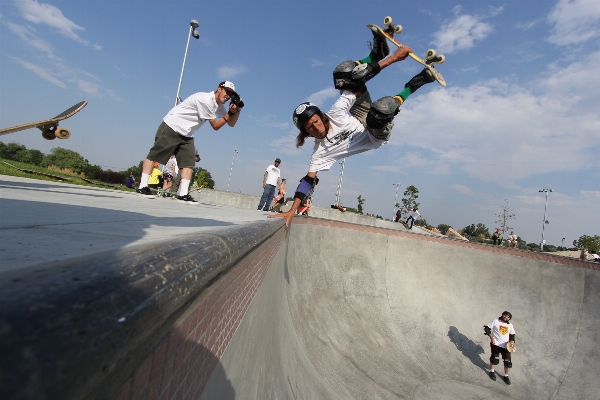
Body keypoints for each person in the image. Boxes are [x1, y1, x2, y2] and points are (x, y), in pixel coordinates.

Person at [270, 28, 435, 226]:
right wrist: (291, 210)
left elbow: (358, 83)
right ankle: (417, 82)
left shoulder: (336, 111)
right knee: (380, 109)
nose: (316, 127)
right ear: (306, 133)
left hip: (359, 115)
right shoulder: (318, 154)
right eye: (310, 128)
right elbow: (307, 182)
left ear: (321, 117)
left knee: (344, 73)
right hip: (375, 135)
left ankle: (376, 54)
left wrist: (394, 58)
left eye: (316, 121)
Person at [136, 81, 243, 203]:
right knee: (155, 155)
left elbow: (231, 123)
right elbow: (216, 126)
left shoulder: (219, 106)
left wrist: (237, 110)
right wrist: (230, 113)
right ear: (219, 89)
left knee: (188, 163)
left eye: (231, 94)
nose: (228, 96)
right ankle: (142, 186)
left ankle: (183, 194)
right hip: (172, 125)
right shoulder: (205, 100)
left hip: (187, 134)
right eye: (227, 92)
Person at [484, 311, 516, 385]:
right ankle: (492, 371)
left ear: (509, 319)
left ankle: (506, 376)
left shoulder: (510, 325)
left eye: (508, 317)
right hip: (496, 344)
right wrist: (491, 338)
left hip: (506, 346)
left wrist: (511, 343)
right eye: (505, 315)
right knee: (494, 359)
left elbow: (512, 335)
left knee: (508, 362)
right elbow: (487, 328)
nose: (506, 317)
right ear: (502, 315)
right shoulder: (496, 321)